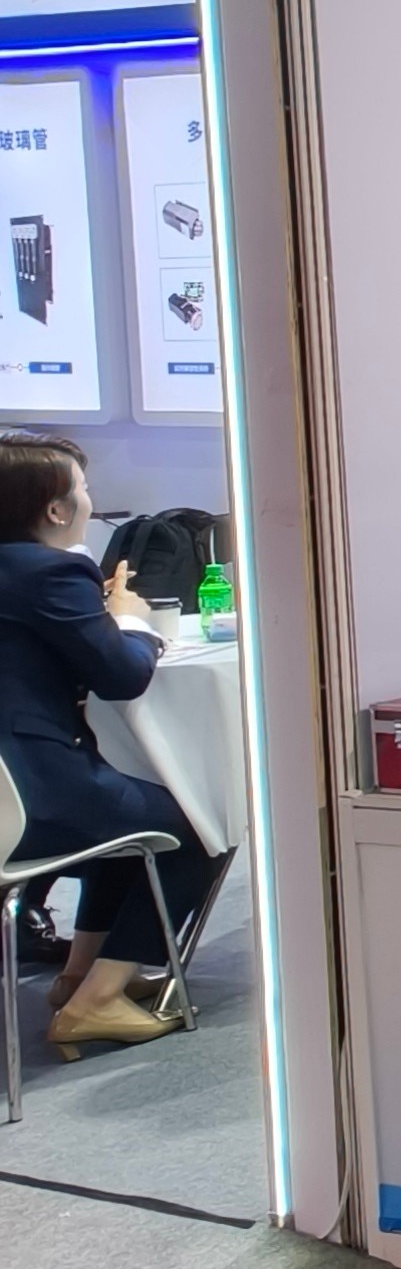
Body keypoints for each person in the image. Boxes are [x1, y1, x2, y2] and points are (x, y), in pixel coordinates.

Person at [0, 434, 212, 1054]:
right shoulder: (52, 571)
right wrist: (130, 621)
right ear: (56, 509)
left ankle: (80, 978)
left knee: (127, 828)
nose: (92, 502)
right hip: (34, 797)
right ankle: (97, 999)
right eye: (85, 490)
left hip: (22, 788)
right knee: (200, 824)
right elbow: (123, 675)